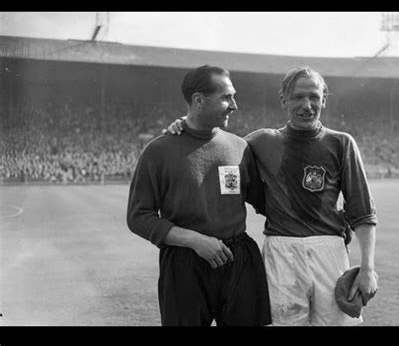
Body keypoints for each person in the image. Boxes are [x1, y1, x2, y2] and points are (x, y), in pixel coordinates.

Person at [164, 66, 378, 326]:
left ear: (324, 99)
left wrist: (367, 268)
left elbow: (362, 210)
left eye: (313, 96)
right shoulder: (261, 141)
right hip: (281, 250)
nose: (307, 105)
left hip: (329, 252)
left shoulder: (341, 143)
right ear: (284, 99)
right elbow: (217, 146)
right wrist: (184, 125)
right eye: (298, 97)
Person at [127, 65, 271, 326]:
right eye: (226, 97)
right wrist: (194, 240)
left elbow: (267, 202)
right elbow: (138, 217)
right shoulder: (158, 151)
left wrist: (327, 217)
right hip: (184, 264)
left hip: (237, 258)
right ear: (198, 100)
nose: (234, 105)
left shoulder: (239, 147)